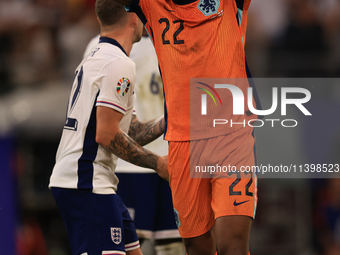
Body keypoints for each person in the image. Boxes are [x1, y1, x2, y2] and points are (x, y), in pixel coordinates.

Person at [109, 0, 260, 254]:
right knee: (196, 248)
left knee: (231, 246)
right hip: (182, 143)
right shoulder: (150, 4)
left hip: (232, 136)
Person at [49, 1, 168, 255]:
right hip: (86, 183)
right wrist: (160, 164)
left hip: (92, 181)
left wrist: (169, 121)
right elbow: (106, 134)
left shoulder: (99, 55)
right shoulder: (118, 64)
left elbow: (129, 129)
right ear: (133, 18)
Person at [83, 32, 185, 255]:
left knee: (175, 246)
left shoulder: (179, 36)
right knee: (125, 244)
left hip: (173, 160)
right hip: (129, 164)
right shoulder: (106, 46)